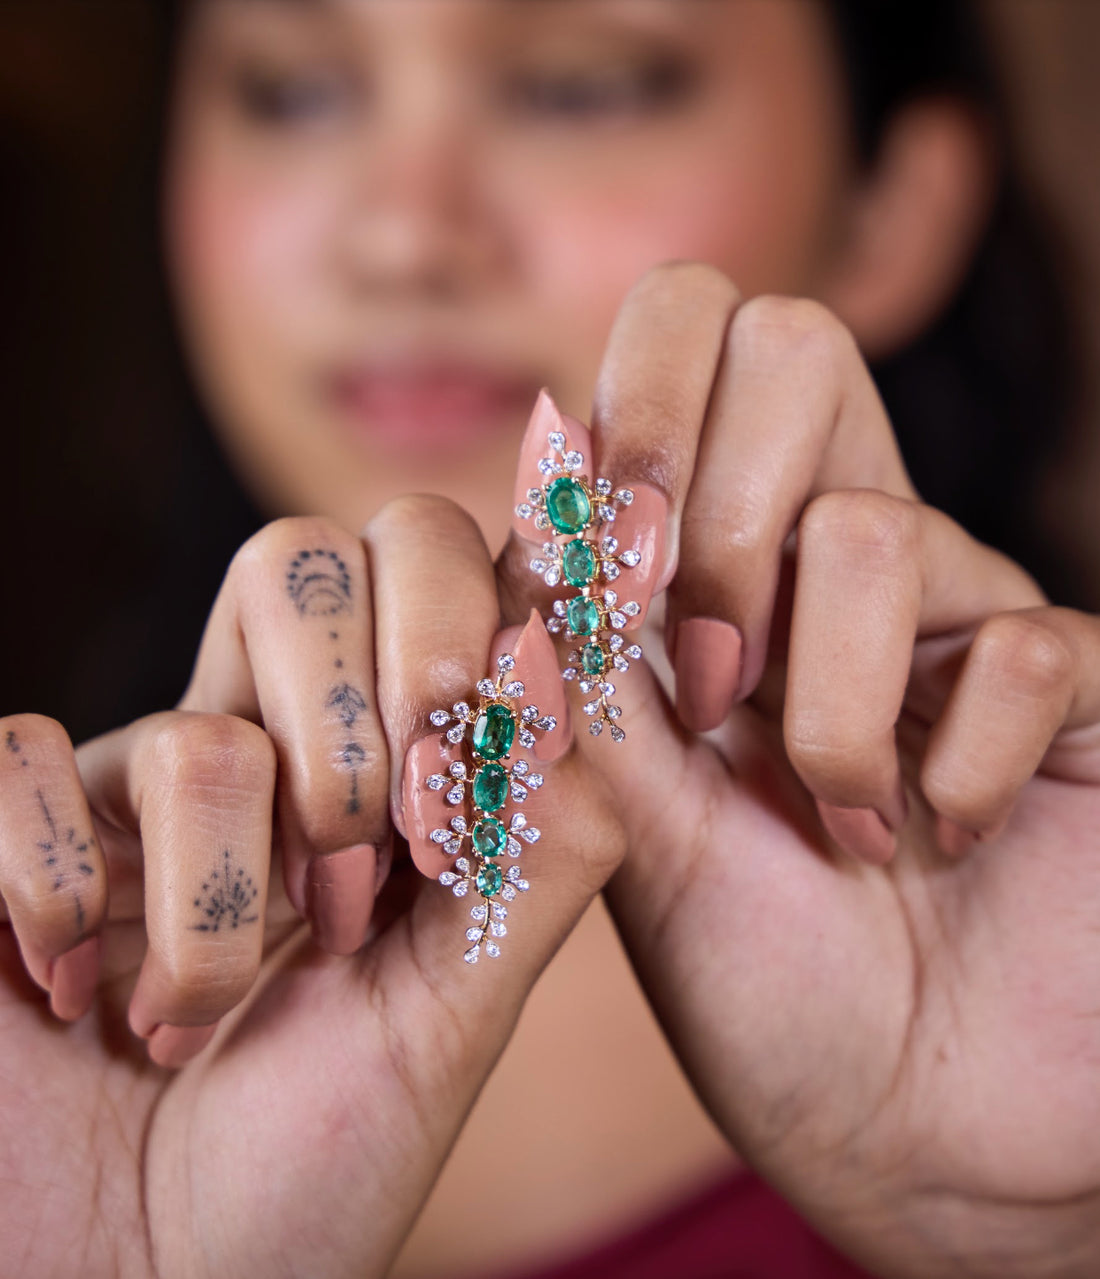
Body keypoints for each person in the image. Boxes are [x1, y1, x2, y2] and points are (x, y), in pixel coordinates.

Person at [2, 2, 1098, 1277]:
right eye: (291, 93)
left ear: (893, 205)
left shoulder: (1051, 1039)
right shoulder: (63, 1000)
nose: (403, 235)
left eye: (581, 89)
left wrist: (1047, 1243)